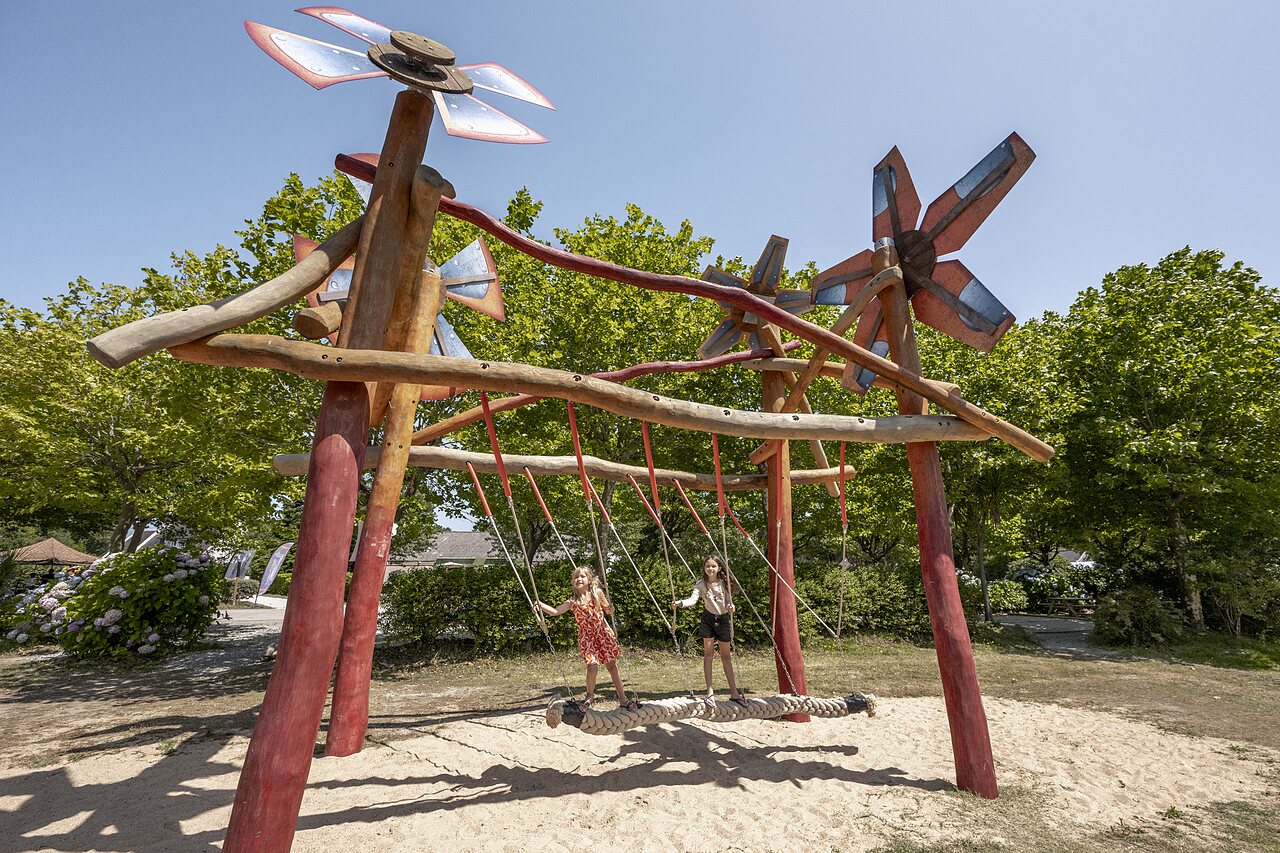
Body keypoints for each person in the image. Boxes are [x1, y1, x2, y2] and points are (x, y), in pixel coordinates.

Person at [535, 566, 639, 711]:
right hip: (587, 637)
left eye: (582, 576)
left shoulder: (597, 593)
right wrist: (540, 605)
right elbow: (555, 611)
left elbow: (607, 610)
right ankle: (589, 696)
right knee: (592, 667)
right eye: (576, 577)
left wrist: (610, 609)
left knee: (612, 667)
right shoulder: (573, 601)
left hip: (602, 634)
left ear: (589, 579)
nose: (579, 579)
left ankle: (623, 698)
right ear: (573, 582)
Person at [673, 555, 747, 705]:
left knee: (726, 657)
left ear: (719, 568)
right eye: (708, 566)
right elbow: (693, 600)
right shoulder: (701, 584)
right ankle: (710, 692)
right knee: (708, 655)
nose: (710, 569)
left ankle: (734, 692)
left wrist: (731, 607)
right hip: (708, 620)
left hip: (723, 620)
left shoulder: (724, 583)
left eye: (713, 566)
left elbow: (728, 602)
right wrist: (680, 603)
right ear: (704, 568)